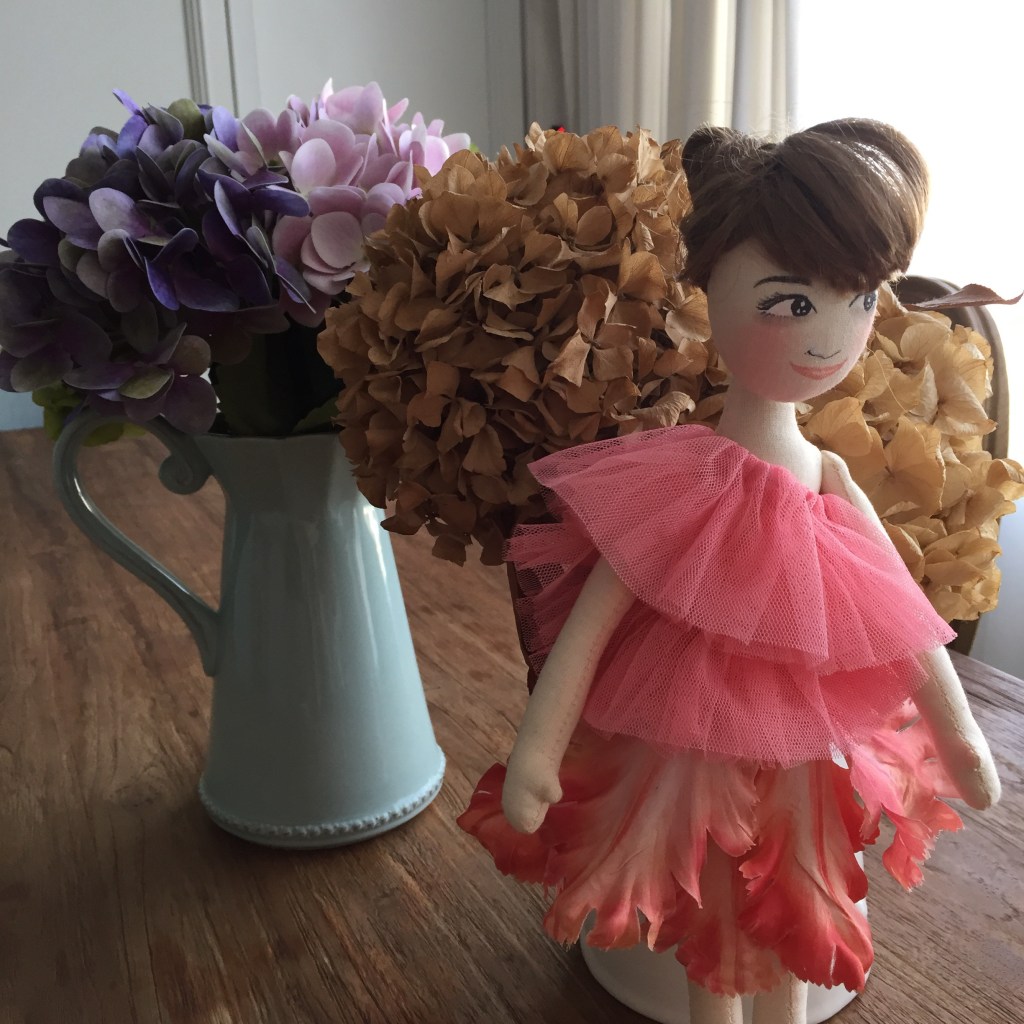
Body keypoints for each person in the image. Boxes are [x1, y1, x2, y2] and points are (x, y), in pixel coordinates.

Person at [457, 119, 1000, 1024]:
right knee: (708, 891)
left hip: (803, 737)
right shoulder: (684, 477)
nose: (832, 336)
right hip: (684, 730)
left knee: (789, 889)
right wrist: (537, 751)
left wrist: (960, 736)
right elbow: (599, 611)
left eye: (860, 299)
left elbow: (902, 609)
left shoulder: (829, 477)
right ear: (710, 291)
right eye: (791, 303)